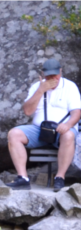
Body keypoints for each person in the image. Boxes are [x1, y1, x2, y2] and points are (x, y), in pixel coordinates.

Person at [7, 58, 81, 191]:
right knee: (14, 134)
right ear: (43, 74)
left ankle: (60, 177)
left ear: (60, 71)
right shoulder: (36, 87)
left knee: (69, 136)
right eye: (49, 75)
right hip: (40, 129)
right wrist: (41, 90)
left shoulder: (70, 86)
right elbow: (28, 111)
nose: (53, 78)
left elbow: (76, 112)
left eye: (55, 74)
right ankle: (23, 178)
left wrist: (68, 124)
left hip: (61, 131)